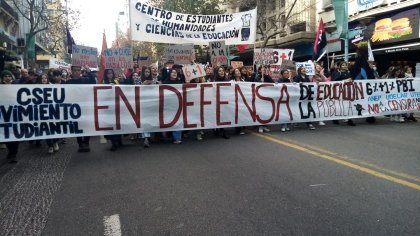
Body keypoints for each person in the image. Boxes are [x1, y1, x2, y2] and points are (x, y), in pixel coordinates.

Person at [66, 65, 96, 152]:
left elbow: (93, 82)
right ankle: (80, 143)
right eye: (75, 70)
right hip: (74, 107)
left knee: (86, 125)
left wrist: (89, 71)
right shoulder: (68, 83)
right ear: (71, 71)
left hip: (86, 107)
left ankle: (86, 142)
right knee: (77, 126)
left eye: (78, 70)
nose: (77, 72)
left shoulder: (85, 80)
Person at [102, 69, 124, 151]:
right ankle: (114, 142)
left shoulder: (116, 81)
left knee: (118, 123)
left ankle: (119, 140)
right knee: (111, 125)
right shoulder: (103, 82)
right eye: (108, 73)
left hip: (117, 105)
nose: (110, 74)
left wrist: (123, 80)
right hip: (108, 107)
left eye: (111, 73)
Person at [1, 70, 19, 163]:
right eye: (5, 76)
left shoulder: (17, 87)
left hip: (15, 113)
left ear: (12, 77)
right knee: (6, 134)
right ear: (2, 78)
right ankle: (10, 151)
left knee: (15, 133)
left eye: (9, 76)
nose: (7, 78)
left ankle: (14, 153)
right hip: (4, 114)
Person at [163, 68, 184, 144]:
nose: (174, 73)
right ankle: (168, 134)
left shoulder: (180, 82)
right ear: (170, 74)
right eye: (172, 72)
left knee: (177, 120)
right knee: (169, 120)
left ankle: (177, 138)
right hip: (168, 105)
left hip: (178, 104)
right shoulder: (165, 82)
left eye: (175, 72)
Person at [331, 62, 356, 126]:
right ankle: (335, 118)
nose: (345, 66)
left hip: (347, 91)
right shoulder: (338, 73)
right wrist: (345, 80)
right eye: (343, 65)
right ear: (340, 66)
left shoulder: (349, 73)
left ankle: (349, 120)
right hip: (340, 92)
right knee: (339, 105)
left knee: (348, 105)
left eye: (345, 65)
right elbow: (334, 82)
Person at [212, 66, 230, 139]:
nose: (222, 72)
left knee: (224, 116)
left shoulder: (227, 80)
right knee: (217, 116)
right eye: (219, 71)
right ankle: (215, 128)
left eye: (222, 70)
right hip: (216, 101)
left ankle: (223, 131)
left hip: (225, 101)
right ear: (217, 72)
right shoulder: (214, 81)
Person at [254, 65, 273, 133]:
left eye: (265, 69)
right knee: (260, 112)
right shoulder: (257, 77)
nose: (264, 70)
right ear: (259, 70)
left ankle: (265, 125)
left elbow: (272, 82)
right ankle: (260, 126)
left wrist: (267, 75)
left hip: (267, 97)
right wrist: (260, 81)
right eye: (263, 69)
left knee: (266, 112)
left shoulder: (266, 76)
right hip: (259, 97)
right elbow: (255, 84)